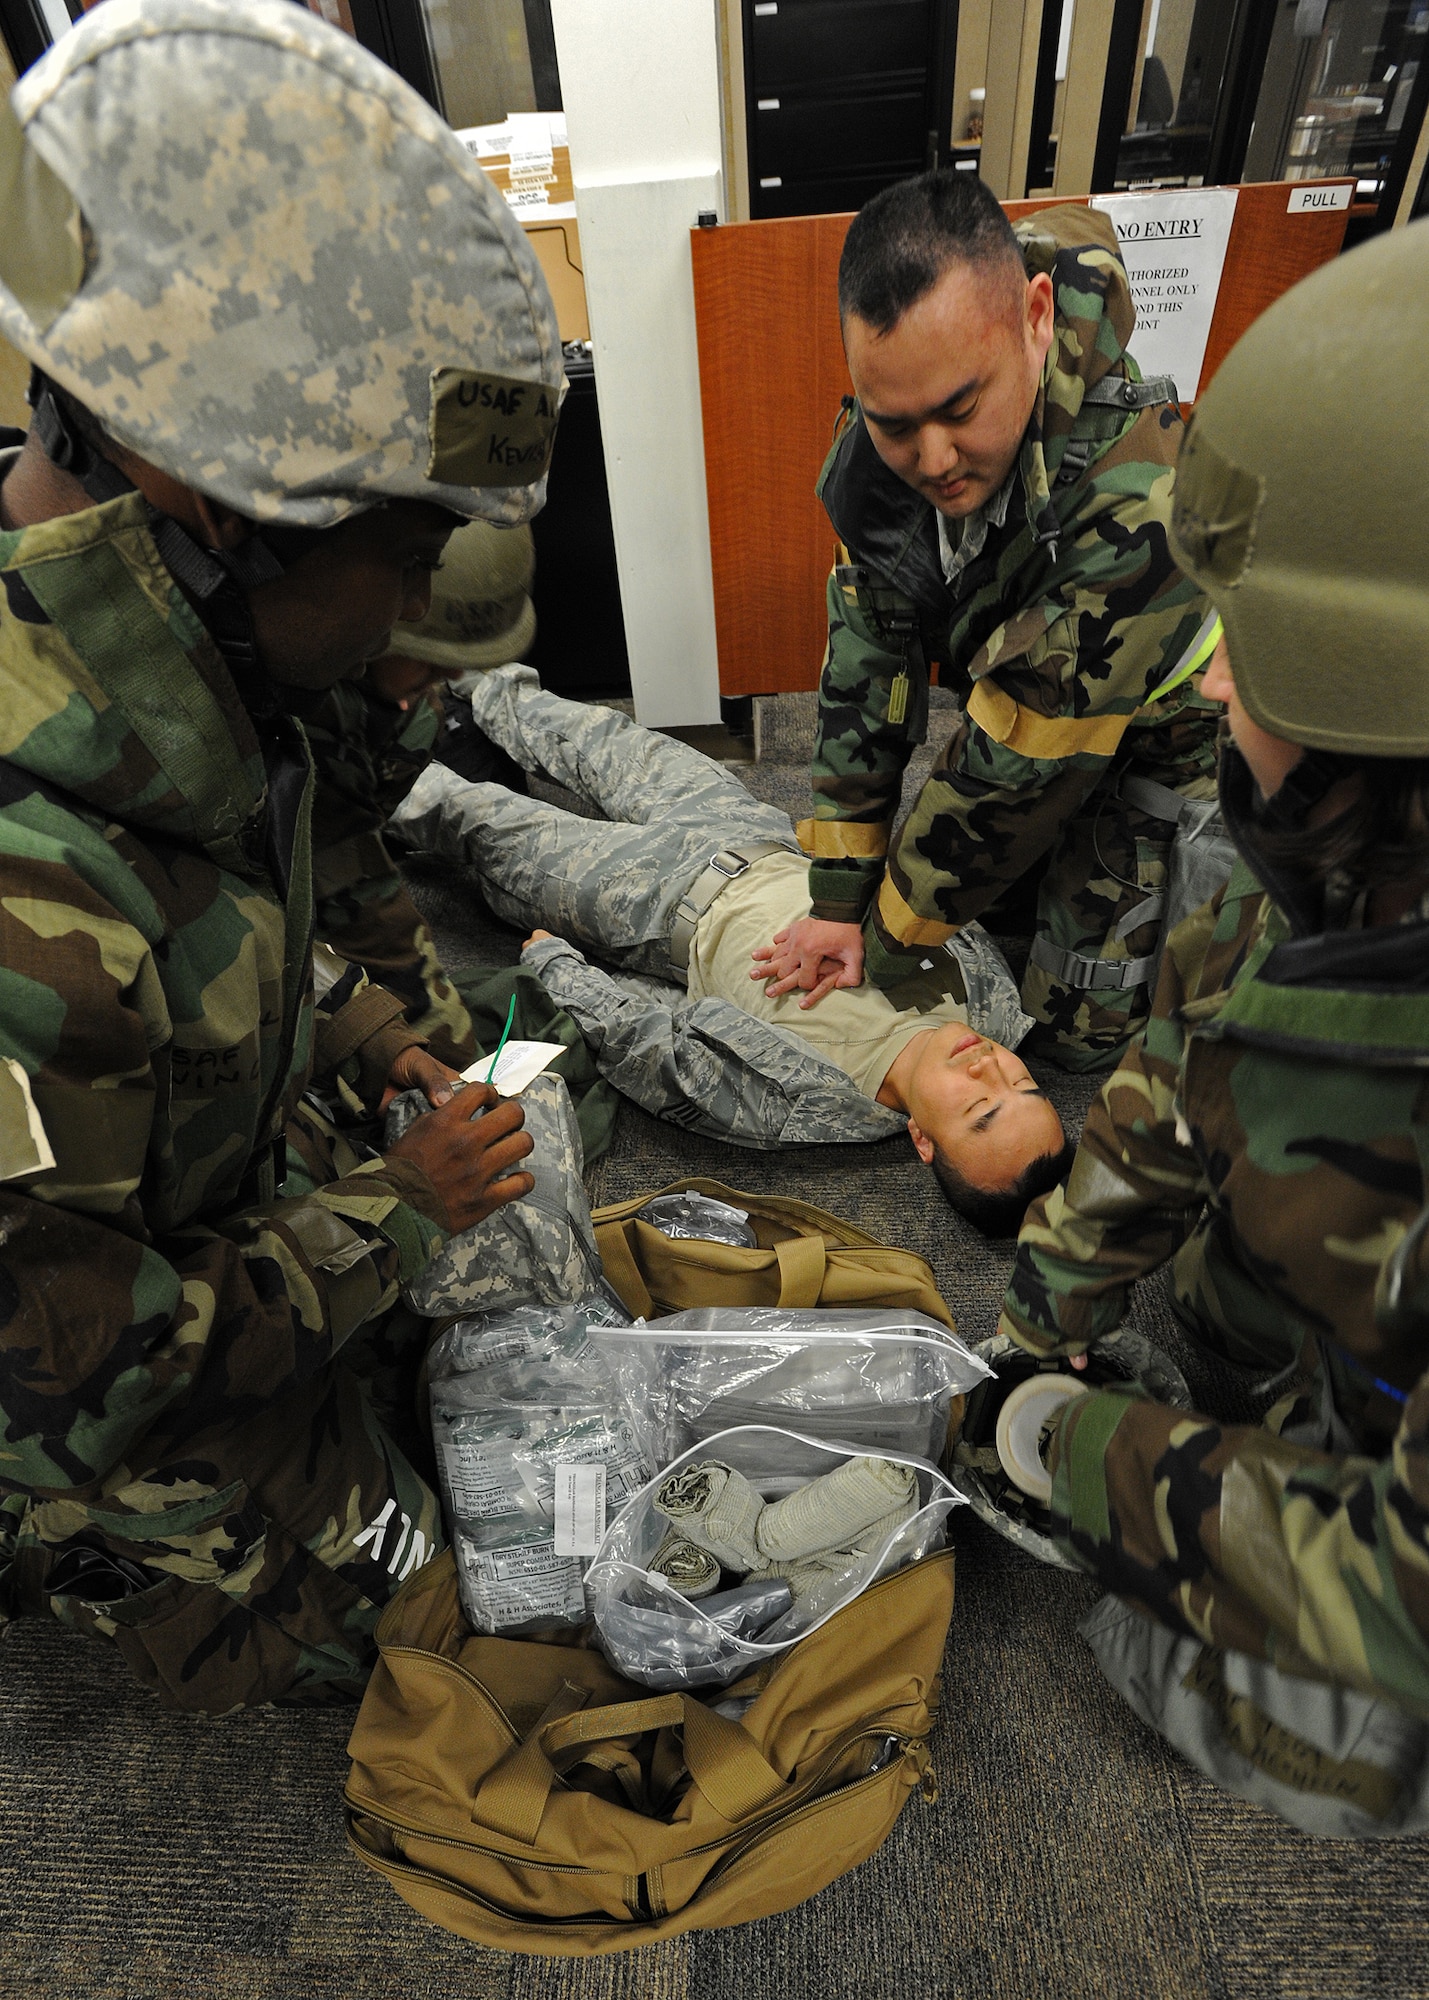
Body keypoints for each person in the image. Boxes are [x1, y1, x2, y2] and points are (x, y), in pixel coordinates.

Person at [0, 0, 563, 1709]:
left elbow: (252, 937)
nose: (408, 623)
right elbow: (67, 1374)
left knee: (459, 1388)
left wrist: (375, 1041)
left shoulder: (178, 696)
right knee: (451, 1615)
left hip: (172, 1238)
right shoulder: (31, 902)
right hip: (65, 1397)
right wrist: (393, 1219)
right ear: (233, 515)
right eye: (396, 567)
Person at [997, 220, 1429, 1835]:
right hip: (1343, 1328)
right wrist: (1028, 1330)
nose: (1210, 697)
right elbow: (1165, 1096)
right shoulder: (1303, 858)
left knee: (1273, 1719)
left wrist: (1072, 1446)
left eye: (1235, 650)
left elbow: (1402, 1597)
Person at [757, 171, 1221, 1071]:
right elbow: (866, 671)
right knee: (968, 905)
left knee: (1069, 1035)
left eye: (961, 409)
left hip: (1171, 731)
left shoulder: (1137, 500)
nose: (931, 460)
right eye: (896, 425)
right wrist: (837, 897)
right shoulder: (878, 457)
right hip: (1032, 697)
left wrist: (882, 946)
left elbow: (1008, 780)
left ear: (1036, 317)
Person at [391, 666, 1071, 1232]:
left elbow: (657, 1051)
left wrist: (560, 968)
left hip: (645, 903)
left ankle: (344, 753)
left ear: (923, 1140)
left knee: (469, 818)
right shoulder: (992, 1000)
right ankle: (452, 668)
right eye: (1022, 1082)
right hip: (751, 828)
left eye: (980, 1109)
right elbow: (922, 883)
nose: (991, 1069)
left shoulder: (803, 1102)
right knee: (589, 733)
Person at [293, 518, 538, 1070]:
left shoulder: (411, 720)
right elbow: (367, 910)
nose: (450, 672)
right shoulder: (294, 718)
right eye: (427, 656)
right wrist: (452, 1055)